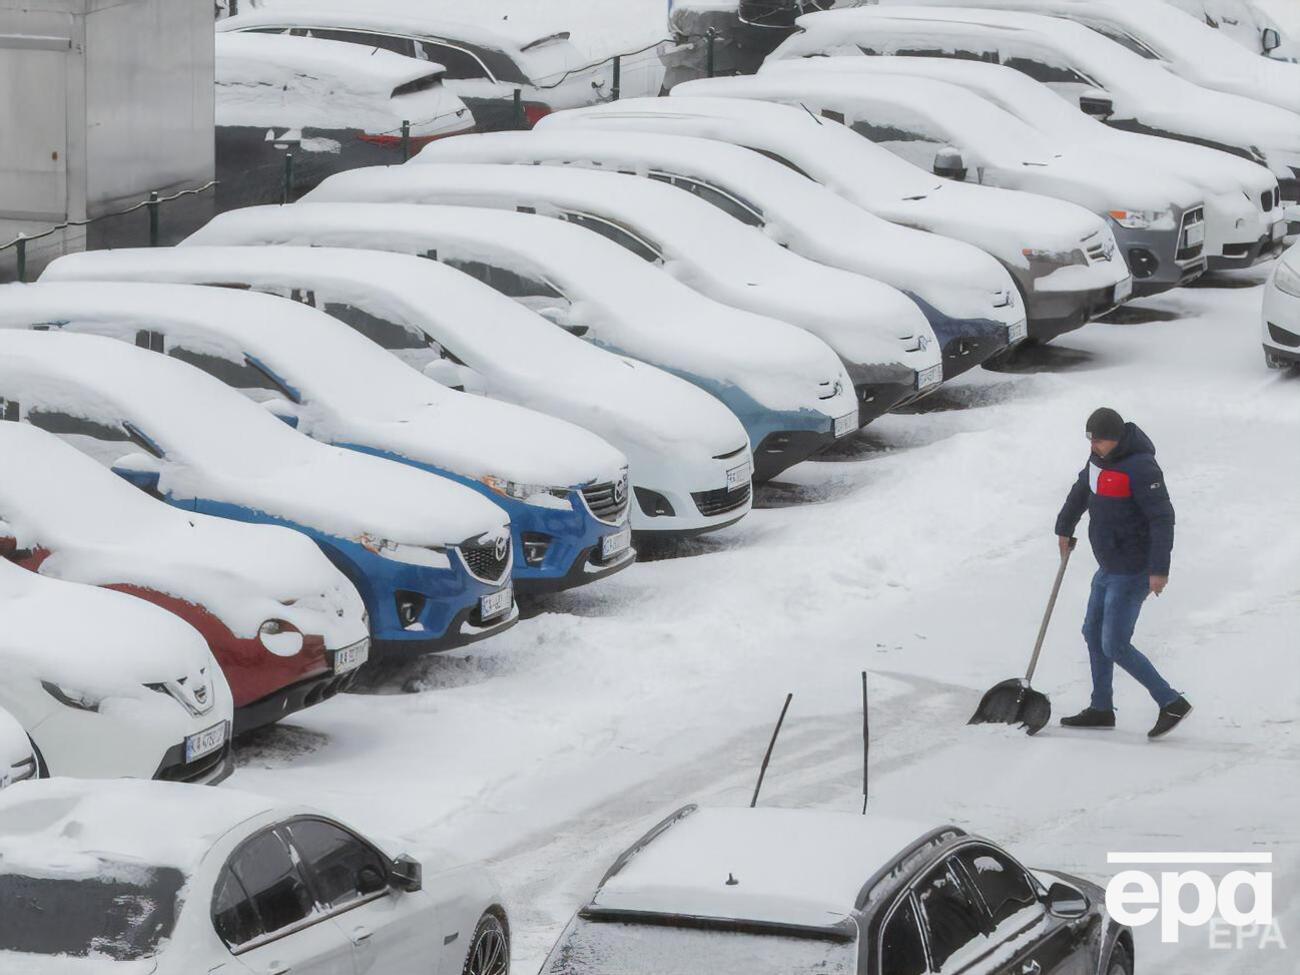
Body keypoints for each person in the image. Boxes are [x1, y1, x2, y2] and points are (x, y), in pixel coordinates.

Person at [1055, 408, 1191, 738]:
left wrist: (1159, 569)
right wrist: (1064, 526)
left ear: (1115, 438)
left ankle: (1171, 701)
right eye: (1090, 439)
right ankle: (1101, 707)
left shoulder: (1141, 467)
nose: (1093, 445)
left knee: (1114, 643)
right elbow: (1081, 491)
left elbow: (1162, 518)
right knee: (1093, 633)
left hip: (1134, 569)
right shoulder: (1096, 461)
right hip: (1109, 565)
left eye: (1098, 440)